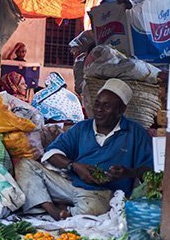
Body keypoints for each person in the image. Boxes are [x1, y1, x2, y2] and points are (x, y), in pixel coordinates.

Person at [19, 78, 152, 220]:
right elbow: (52, 153)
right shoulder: (82, 128)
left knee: (94, 209)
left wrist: (128, 173)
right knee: (25, 165)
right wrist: (74, 166)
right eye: (97, 104)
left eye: (107, 106)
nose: (99, 110)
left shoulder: (136, 133)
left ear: (121, 110)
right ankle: (53, 210)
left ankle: (64, 209)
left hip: (103, 193)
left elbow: (150, 171)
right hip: (69, 185)